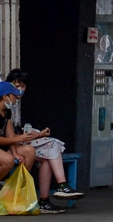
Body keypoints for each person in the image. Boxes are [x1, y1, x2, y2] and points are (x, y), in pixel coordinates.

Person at [3, 70, 83, 211]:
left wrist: (36, 135)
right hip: (11, 145)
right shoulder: (7, 105)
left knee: (49, 151)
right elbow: (11, 137)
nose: (20, 90)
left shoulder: (12, 108)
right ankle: (60, 185)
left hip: (16, 143)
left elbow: (13, 133)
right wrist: (21, 140)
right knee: (50, 145)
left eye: (23, 86)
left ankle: (45, 200)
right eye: (16, 86)